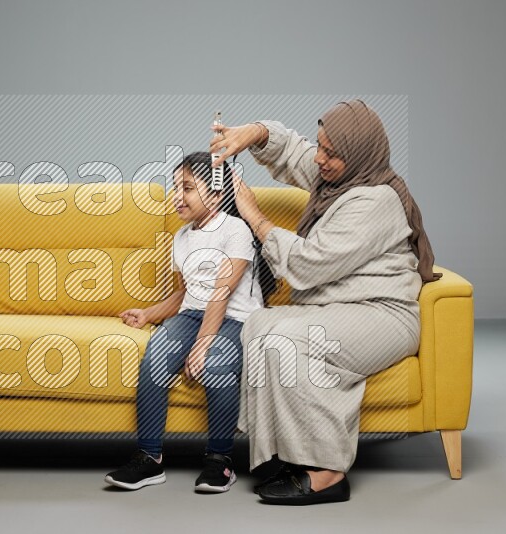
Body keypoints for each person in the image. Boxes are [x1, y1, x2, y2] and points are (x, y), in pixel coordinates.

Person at [209, 99, 442, 505]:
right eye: (320, 145)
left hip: (382, 313)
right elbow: (293, 151)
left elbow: (308, 264)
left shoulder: (375, 201)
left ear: (357, 154)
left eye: (330, 152)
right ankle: (281, 452)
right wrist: (254, 132)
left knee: (293, 338)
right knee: (261, 326)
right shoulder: (337, 177)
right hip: (340, 306)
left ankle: (329, 472)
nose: (319, 158)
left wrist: (256, 219)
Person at [104, 152, 274, 493]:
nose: (177, 196)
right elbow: (186, 296)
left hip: (236, 319)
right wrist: (149, 314)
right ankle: (150, 458)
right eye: (176, 187)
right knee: (156, 354)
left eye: (188, 188)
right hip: (193, 314)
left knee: (217, 362)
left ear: (214, 195)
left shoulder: (236, 230)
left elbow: (222, 293)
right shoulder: (181, 238)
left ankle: (220, 460)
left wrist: (202, 344)